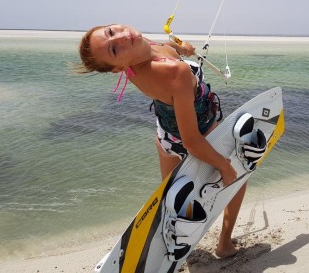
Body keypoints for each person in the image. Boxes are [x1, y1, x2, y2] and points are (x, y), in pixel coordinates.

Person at [78, 23, 246, 258]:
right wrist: (224, 166)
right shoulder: (172, 71)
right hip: (201, 136)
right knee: (237, 178)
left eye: (111, 32)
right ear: (118, 68)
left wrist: (181, 48)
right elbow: (192, 141)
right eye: (114, 49)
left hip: (165, 138)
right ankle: (225, 245)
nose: (123, 37)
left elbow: (160, 47)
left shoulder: (139, 50)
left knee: (170, 199)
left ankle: (169, 240)